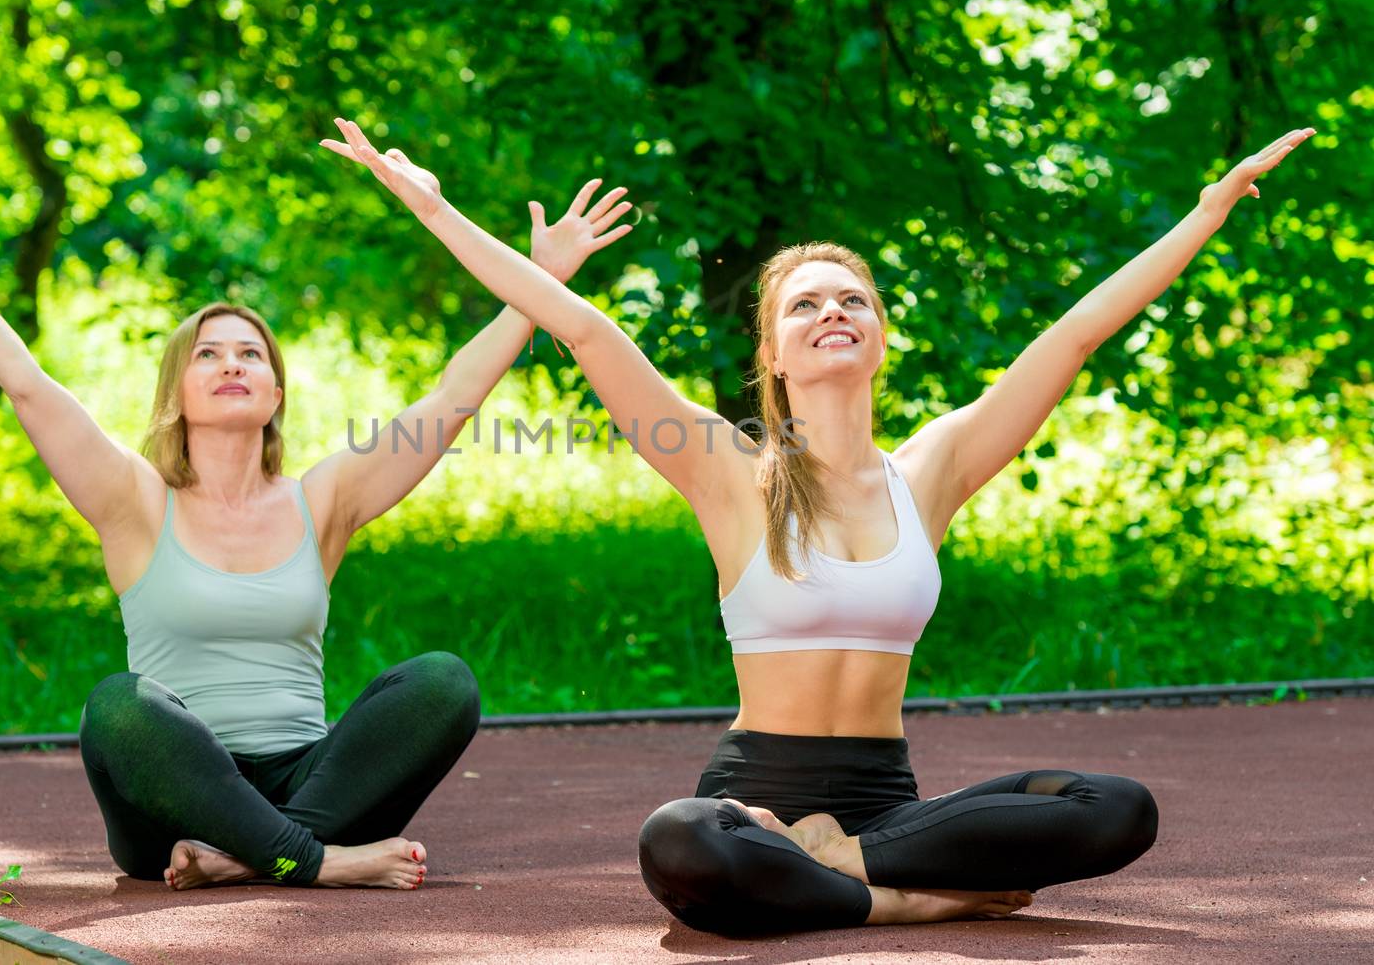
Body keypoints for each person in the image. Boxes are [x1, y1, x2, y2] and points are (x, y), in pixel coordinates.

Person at [322, 116, 1314, 930]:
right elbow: (582, 325)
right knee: (682, 840)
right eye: (805, 305)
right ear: (774, 351)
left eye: (853, 299)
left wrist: (1203, 214)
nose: (832, 310)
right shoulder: (727, 472)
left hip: (888, 808)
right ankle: (909, 906)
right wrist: (429, 203)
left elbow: (1076, 333)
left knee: (1116, 811)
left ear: (881, 335)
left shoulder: (933, 469)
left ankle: (840, 884)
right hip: (754, 795)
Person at [0, 154, 632, 891]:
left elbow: (451, 399)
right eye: (209, 354)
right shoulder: (134, 498)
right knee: (118, 706)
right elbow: (25, 382)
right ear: (176, 392)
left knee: (442, 682)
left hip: (310, 780)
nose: (231, 365)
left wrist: (539, 287)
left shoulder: (323, 499)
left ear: (276, 393)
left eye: (250, 355)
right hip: (174, 799)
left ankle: (258, 856)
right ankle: (312, 862)